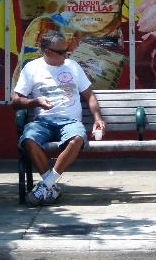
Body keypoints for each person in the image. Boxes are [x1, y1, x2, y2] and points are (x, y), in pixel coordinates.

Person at [11, 30, 105, 206]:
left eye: (67, 51)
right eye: (61, 52)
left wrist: (97, 118)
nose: (66, 55)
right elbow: (15, 101)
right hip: (43, 122)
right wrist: (35, 101)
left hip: (70, 122)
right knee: (28, 139)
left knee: (77, 138)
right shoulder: (31, 68)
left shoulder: (73, 66)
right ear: (47, 51)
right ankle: (51, 186)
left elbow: (89, 95)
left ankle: (46, 184)